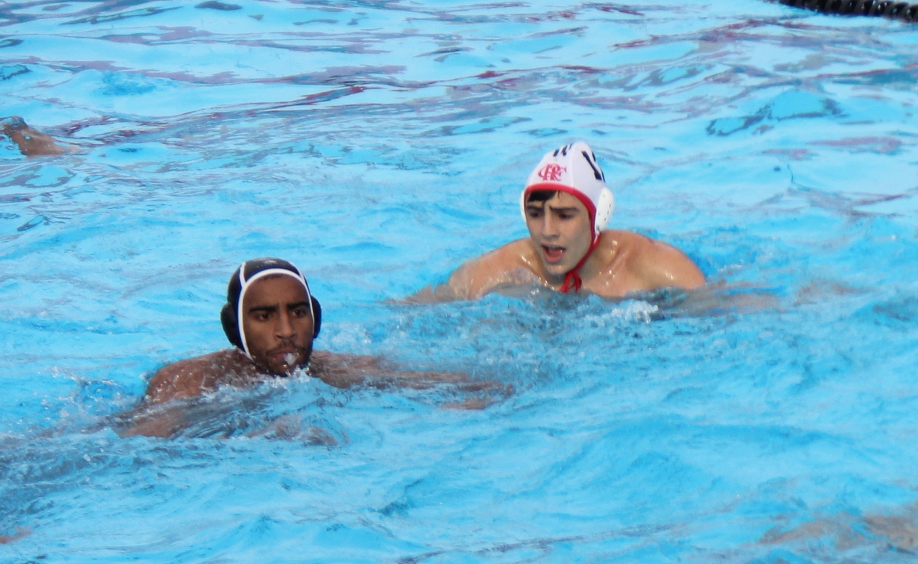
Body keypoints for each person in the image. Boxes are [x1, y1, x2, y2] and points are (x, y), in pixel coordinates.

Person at [126, 259, 496, 437]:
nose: (286, 331)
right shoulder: (190, 383)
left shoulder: (336, 370)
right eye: (264, 316)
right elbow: (138, 448)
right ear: (234, 329)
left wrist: (463, 406)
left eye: (298, 313)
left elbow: (475, 386)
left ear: (316, 319)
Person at [418, 141, 704, 302]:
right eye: (535, 214)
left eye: (564, 215)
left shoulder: (658, 268)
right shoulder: (495, 271)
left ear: (599, 215)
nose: (547, 231)